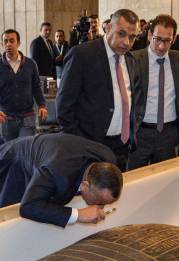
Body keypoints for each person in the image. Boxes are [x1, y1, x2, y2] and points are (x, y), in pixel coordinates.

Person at [57, 9, 140, 171]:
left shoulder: (130, 60)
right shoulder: (81, 55)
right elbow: (64, 108)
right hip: (89, 148)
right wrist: (81, 144)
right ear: (108, 27)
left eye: (132, 37)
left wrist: (132, 132)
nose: (127, 42)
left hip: (122, 146)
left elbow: (131, 101)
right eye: (121, 33)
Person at [0, 133, 123, 227]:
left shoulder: (108, 158)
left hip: (45, 155)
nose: (101, 207)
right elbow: (28, 207)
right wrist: (79, 215)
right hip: (9, 163)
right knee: (7, 221)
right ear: (85, 186)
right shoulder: (57, 173)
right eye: (100, 202)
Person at [128, 14, 179, 170]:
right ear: (149, 35)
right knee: (134, 181)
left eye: (167, 41)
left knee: (165, 181)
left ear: (174, 38)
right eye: (158, 39)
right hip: (140, 133)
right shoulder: (133, 59)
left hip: (168, 134)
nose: (162, 46)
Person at [0, 29, 47, 142]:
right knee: (11, 152)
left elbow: (36, 87)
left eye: (12, 41)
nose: (8, 44)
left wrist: (42, 105)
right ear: (2, 44)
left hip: (28, 116)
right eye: (5, 41)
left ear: (18, 43)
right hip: (6, 117)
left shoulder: (31, 64)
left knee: (24, 149)